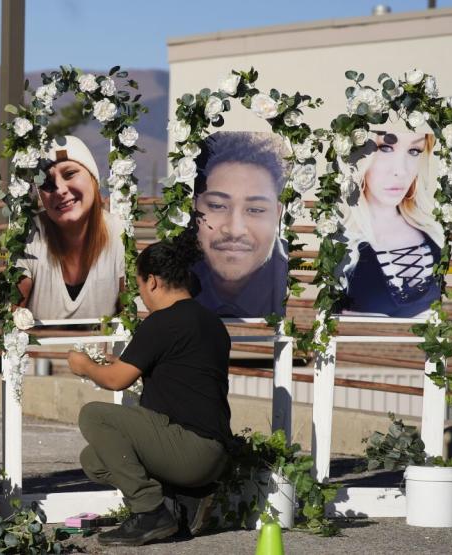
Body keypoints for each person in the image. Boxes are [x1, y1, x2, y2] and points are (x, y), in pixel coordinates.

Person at [69, 233, 231, 547]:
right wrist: (127, 362)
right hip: (213, 454)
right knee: (95, 458)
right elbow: (183, 374)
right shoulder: (210, 322)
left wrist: (83, 365)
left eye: (140, 284)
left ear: (153, 281)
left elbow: (116, 380)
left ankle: (150, 511)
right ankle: (184, 501)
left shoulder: (161, 322)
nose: (141, 293)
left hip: (189, 449)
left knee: (94, 416)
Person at [16, 135, 125, 319]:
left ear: (93, 178)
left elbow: (132, 318)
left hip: (104, 349)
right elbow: (9, 322)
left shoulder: (119, 232)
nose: (60, 189)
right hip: (37, 349)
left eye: (70, 174)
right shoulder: (28, 236)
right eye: (47, 183)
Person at [339, 131, 442, 317]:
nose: (401, 171)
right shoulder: (339, 243)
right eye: (384, 148)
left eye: (414, 151)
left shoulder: (434, 233)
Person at [192, 132, 289, 318]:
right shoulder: (178, 279)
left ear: (278, 213)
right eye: (217, 206)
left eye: (255, 210)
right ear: (194, 206)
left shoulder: (294, 284)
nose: (235, 230)